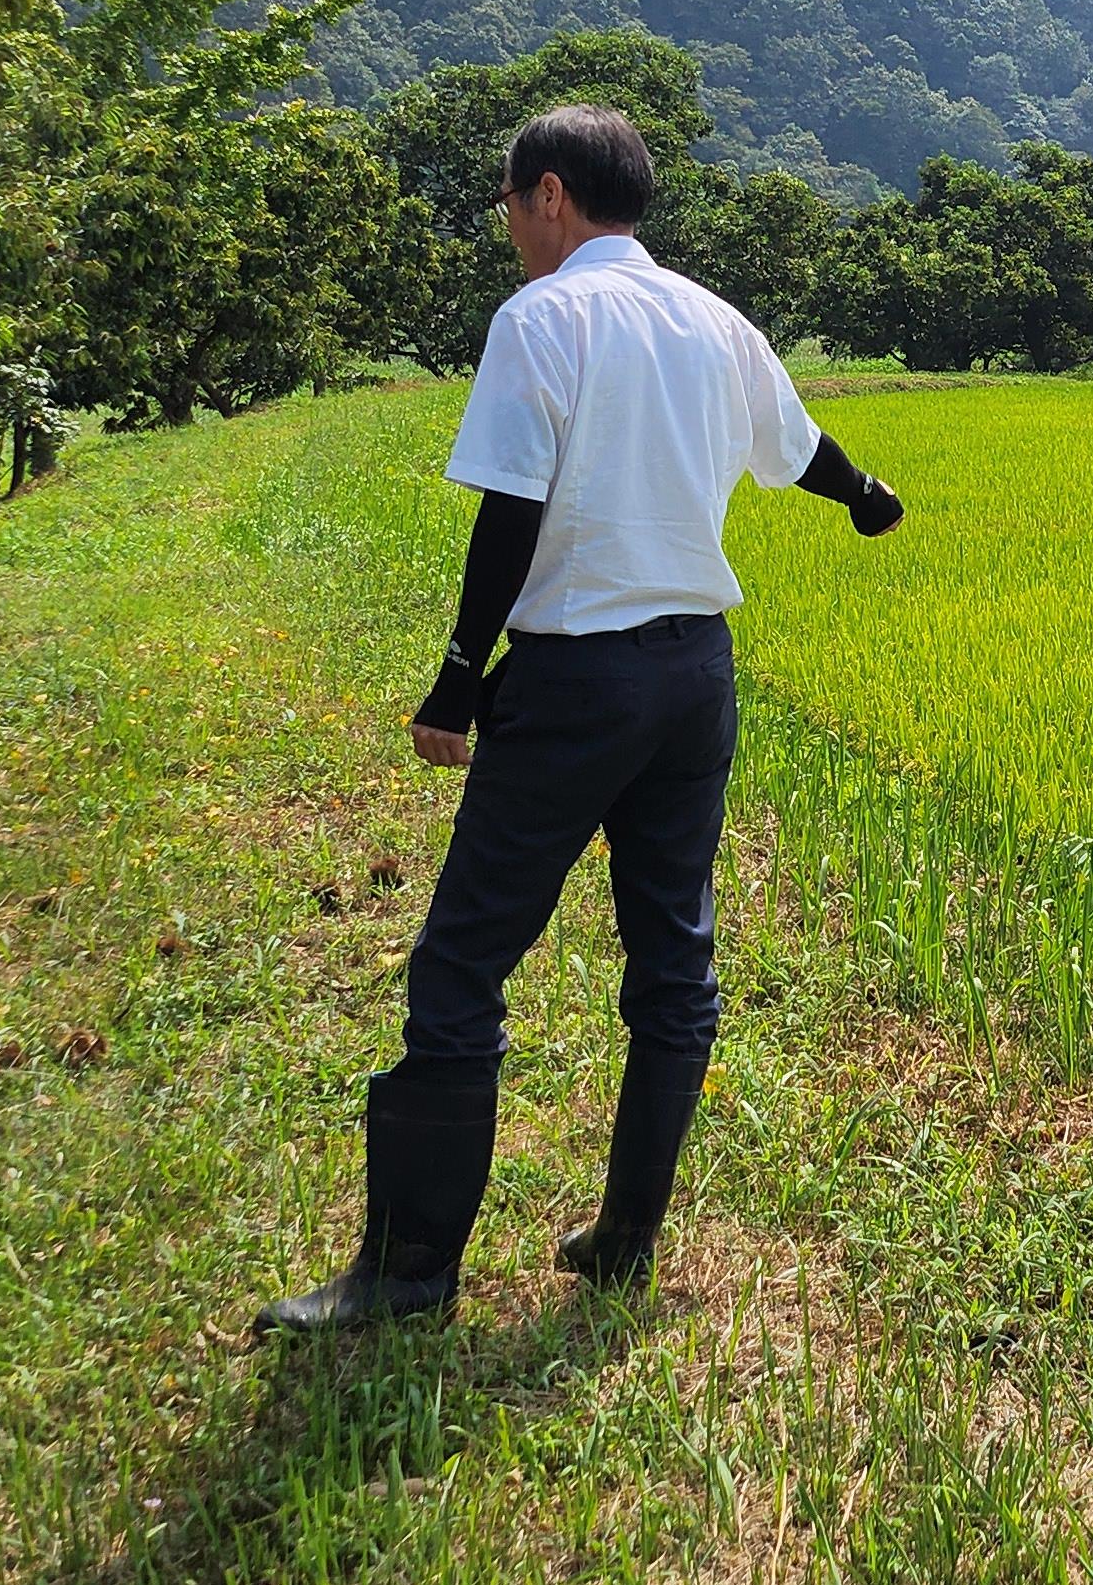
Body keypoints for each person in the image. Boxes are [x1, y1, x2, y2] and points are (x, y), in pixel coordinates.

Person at [261, 104, 906, 1332]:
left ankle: (406, 1274)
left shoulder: (543, 316)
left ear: (549, 195)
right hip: (694, 680)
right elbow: (805, 448)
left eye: (509, 205)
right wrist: (870, 498)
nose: (510, 229)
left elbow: (511, 511)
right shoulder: (717, 321)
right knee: (673, 958)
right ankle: (625, 1237)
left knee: (463, 962)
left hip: (574, 685)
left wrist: (459, 679)